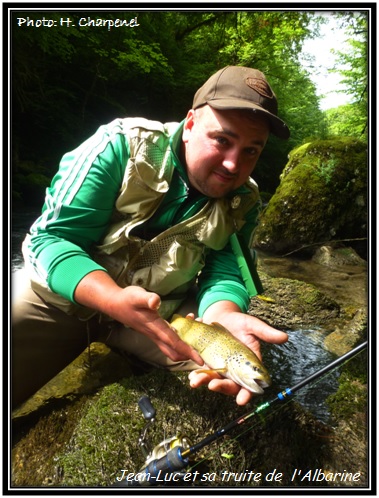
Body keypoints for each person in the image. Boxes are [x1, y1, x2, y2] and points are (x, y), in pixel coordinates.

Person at [12, 65, 290, 409]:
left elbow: (226, 272)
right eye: (222, 140)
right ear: (189, 125)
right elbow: (48, 239)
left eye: (251, 151)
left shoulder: (243, 200)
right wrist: (113, 300)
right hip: (58, 301)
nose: (233, 165)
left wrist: (224, 313)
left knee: (223, 383)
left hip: (159, 316)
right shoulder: (121, 146)